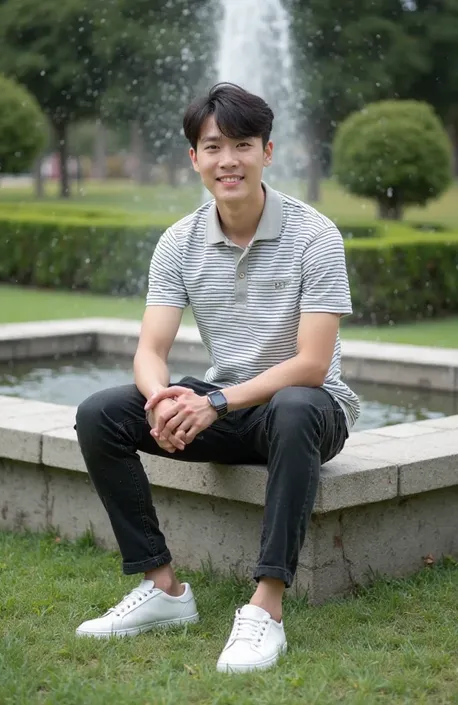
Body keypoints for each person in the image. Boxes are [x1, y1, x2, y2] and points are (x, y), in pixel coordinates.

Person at [74, 82, 360, 673]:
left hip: (308, 410)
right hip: (230, 406)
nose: (228, 160)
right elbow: (149, 349)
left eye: (242, 145)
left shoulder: (315, 235)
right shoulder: (179, 241)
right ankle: (163, 589)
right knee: (101, 412)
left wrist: (216, 404)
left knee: (298, 404)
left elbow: (311, 364)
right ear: (194, 158)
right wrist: (159, 399)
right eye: (213, 147)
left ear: (267, 152)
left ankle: (265, 609)